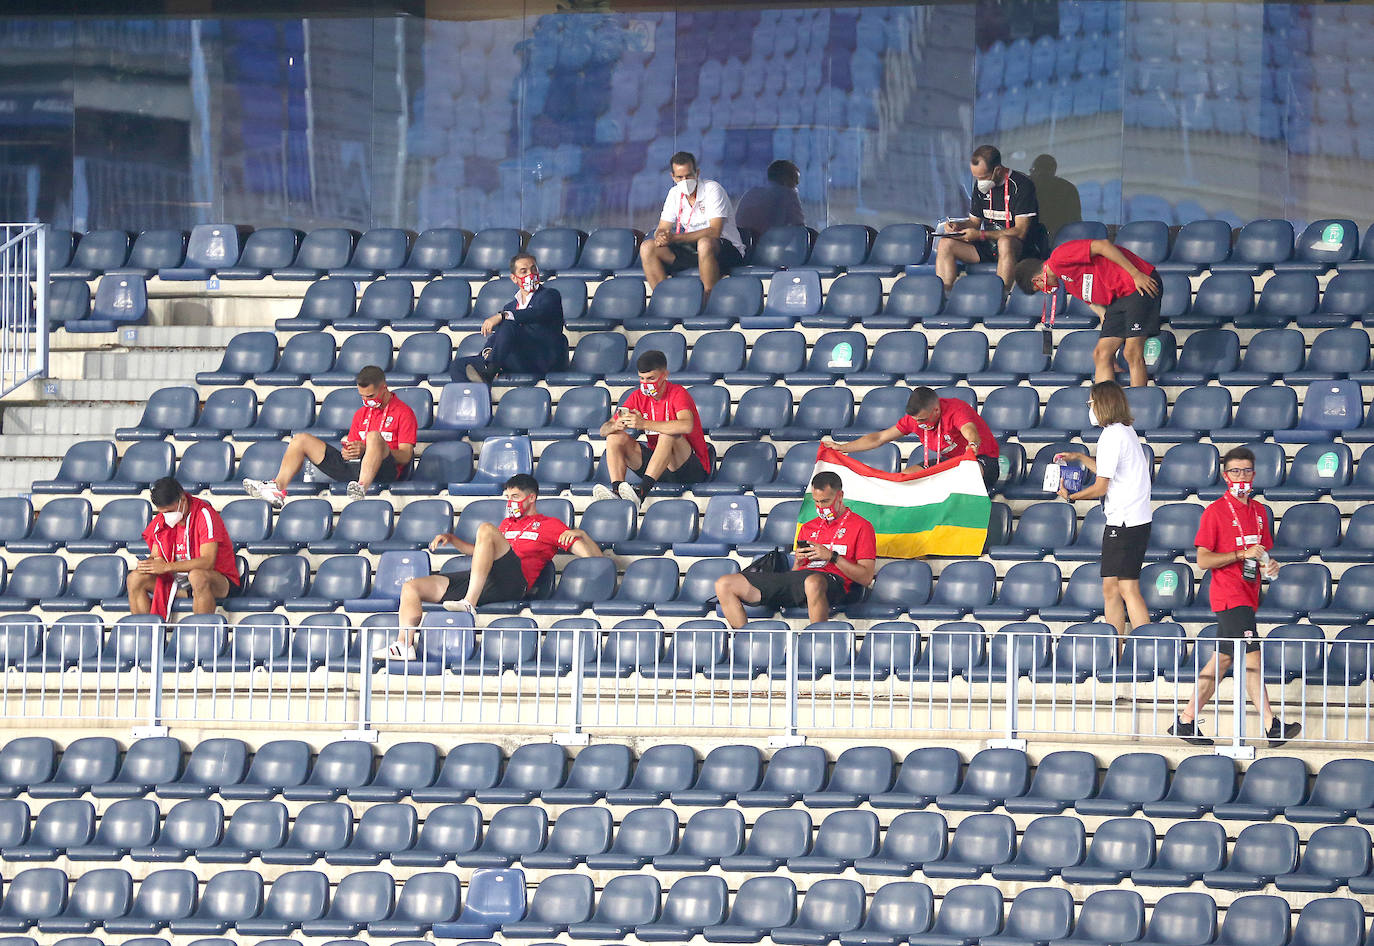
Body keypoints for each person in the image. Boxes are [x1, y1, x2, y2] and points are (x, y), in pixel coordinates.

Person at [376, 474, 603, 660]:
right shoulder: (506, 524)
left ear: (531, 498)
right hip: (489, 579)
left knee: (485, 528)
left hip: (515, 582)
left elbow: (594, 559)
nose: (510, 502)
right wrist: (452, 539)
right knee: (412, 587)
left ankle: (468, 603)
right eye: (507, 497)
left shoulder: (549, 524)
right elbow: (481, 552)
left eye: (515, 496)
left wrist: (582, 534)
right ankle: (403, 644)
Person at [1169, 447, 1302, 749]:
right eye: (1235, 471)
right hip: (1230, 597)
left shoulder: (1258, 512)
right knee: (1251, 655)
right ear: (1224, 475)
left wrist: (1270, 564)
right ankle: (1272, 725)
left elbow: (1261, 552)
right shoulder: (1215, 511)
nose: (1241, 476)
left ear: (1254, 474)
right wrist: (1240, 554)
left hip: (1248, 593)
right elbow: (1202, 560)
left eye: (1246, 471)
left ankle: (1186, 719)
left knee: (1223, 659)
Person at [1053, 381, 1152, 653]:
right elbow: (1109, 471)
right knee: (1113, 588)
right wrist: (1081, 458)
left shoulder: (1111, 435)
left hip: (1123, 523)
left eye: (1091, 403)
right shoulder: (1125, 432)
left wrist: (1070, 496)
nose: (1090, 409)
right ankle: (1120, 648)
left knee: (1125, 589)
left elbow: (1101, 486)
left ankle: (1137, 651)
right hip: (1135, 521)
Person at [714, 472, 876, 628]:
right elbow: (797, 573)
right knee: (724, 583)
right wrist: (798, 562)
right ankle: (744, 639)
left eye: (825, 501)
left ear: (840, 496)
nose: (820, 507)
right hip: (799, 580)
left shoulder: (862, 526)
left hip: (835, 584)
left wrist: (832, 557)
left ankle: (817, 641)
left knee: (813, 581)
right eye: (816, 502)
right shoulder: (808, 527)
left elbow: (866, 578)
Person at [243, 365, 417, 505]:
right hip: (354, 467)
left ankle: (362, 487)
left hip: (384, 470)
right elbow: (353, 445)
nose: (367, 400)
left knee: (373, 436)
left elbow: (406, 455)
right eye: (362, 396)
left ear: (384, 388)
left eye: (370, 395)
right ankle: (277, 487)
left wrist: (371, 448)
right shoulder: (361, 413)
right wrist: (350, 452)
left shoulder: (404, 412)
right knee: (301, 439)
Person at [1016, 236, 1161, 387]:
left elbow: (1103, 246)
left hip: (1138, 284)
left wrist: (1135, 274)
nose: (1045, 291)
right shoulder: (1068, 280)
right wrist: (1105, 323)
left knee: (1131, 352)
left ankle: (1139, 405)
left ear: (1037, 280)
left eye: (1039, 288)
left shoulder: (1059, 257)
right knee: (1101, 354)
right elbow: (1096, 306)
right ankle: (1105, 407)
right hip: (1118, 298)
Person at [591, 349, 713, 507]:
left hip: (689, 466)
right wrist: (615, 425)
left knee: (668, 433)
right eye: (642, 378)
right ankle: (616, 491)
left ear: (665, 375)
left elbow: (686, 425)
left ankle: (641, 492)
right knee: (614, 436)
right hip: (660, 466)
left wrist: (644, 424)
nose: (645, 383)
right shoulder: (637, 396)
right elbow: (603, 430)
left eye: (651, 378)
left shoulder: (678, 393)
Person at [822, 386, 1001, 491]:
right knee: (905, 478)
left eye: (923, 419)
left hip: (981, 460)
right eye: (916, 421)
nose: (919, 424)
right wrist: (843, 447)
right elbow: (878, 438)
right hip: (948, 462)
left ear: (936, 410)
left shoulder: (955, 409)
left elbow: (969, 430)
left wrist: (972, 445)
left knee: (967, 471)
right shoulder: (914, 420)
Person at [935, 143, 1049, 293]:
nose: (980, 182)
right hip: (989, 246)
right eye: (977, 177)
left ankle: (1000, 296)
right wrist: (957, 226)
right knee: (945, 244)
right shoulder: (980, 186)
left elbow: (1020, 231)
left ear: (997, 170)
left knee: (1005, 242)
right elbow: (974, 222)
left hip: (1021, 249)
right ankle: (944, 296)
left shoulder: (1021, 185)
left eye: (983, 177)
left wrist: (981, 235)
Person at [130, 476, 239, 618]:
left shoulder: (204, 514)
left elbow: (207, 561)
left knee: (197, 575)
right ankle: (145, 635)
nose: (166, 516)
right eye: (162, 512)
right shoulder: (161, 520)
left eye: (170, 511)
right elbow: (156, 555)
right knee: (135, 578)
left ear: (182, 499)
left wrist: (167, 567)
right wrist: (149, 564)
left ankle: (201, 635)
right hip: (180, 583)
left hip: (217, 580)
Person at [639, 150, 746, 297]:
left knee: (705, 243)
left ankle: (709, 301)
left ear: (697, 173)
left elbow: (714, 231)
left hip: (724, 249)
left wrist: (675, 238)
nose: (685, 180)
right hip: (693, 249)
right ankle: (664, 299)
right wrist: (661, 236)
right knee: (647, 247)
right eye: (680, 177)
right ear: (673, 177)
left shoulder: (712, 189)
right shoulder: (674, 194)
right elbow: (662, 227)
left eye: (688, 175)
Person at [457, 253, 567, 386]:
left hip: (542, 359)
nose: (530, 274)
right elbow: (499, 336)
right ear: (514, 278)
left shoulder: (550, 295)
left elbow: (537, 313)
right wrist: (488, 352)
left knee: (509, 324)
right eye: (524, 271)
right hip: (517, 359)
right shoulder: (510, 306)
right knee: (459, 366)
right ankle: (478, 398)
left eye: (533, 269)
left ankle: (490, 371)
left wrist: (503, 315)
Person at [734, 159, 804, 237]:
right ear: (786, 180)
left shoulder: (751, 193)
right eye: (795, 181)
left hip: (744, 246)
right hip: (769, 247)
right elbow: (801, 230)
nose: (797, 185)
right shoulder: (788, 194)